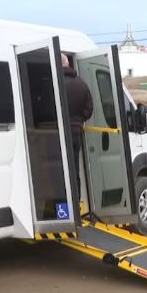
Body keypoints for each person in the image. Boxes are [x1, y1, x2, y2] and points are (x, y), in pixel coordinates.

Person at [61, 53, 93, 199]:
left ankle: (63, 207)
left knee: (61, 171)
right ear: (68, 64)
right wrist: (78, 120)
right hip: (75, 132)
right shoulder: (82, 84)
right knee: (74, 170)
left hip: (59, 133)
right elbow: (88, 110)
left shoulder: (55, 84)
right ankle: (76, 205)